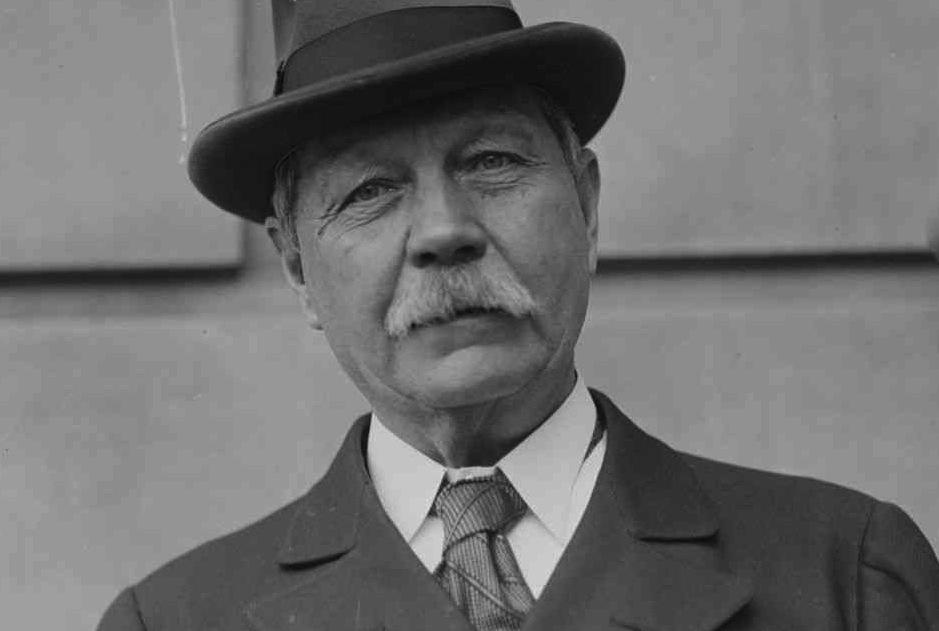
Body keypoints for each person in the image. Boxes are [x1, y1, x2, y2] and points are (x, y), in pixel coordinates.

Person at [98, 1, 939, 629]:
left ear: (586, 202)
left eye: (492, 161)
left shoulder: (844, 576)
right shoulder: (175, 621)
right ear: (295, 267)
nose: (444, 232)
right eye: (369, 191)